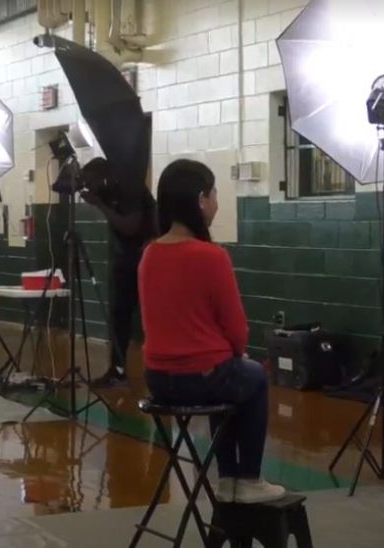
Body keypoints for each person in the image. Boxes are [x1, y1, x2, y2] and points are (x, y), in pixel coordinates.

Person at [139, 159, 285, 504]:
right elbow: (237, 328)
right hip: (199, 377)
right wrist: (237, 352)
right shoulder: (210, 256)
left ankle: (228, 480)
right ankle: (245, 477)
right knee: (252, 377)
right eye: (215, 194)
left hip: (158, 379)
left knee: (232, 377)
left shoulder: (149, 254)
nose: (217, 203)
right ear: (201, 200)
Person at [79, 158, 157, 387]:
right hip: (124, 260)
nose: (89, 187)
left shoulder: (130, 189)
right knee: (119, 316)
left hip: (145, 258)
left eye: (90, 182)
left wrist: (99, 204)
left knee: (148, 316)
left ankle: (161, 369)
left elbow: (129, 226)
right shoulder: (106, 190)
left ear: (102, 177)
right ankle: (118, 369)